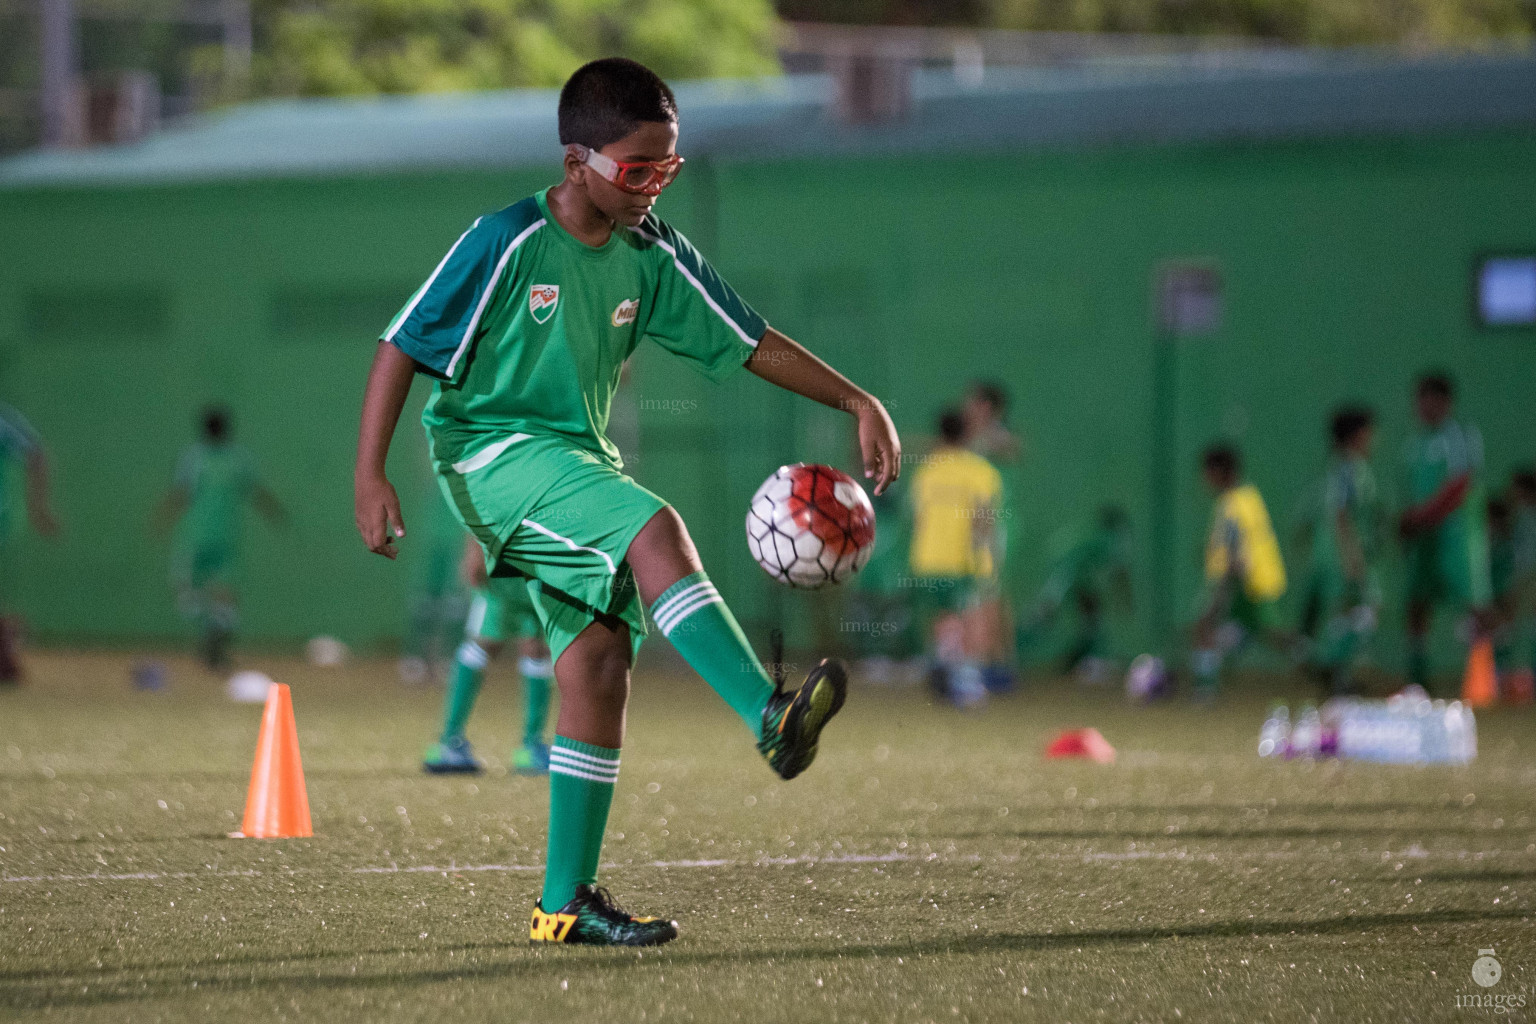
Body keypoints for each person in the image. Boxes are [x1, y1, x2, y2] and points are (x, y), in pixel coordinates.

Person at [353, 58, 900, 947]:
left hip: (573, 459)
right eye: (636, 170)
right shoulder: (505, 239)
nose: (653, 186)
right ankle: (769, 717)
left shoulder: (653, 255)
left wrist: (854, 400)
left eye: (668, 168)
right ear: (578, 164)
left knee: (600, 661)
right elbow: (401, 346)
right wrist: (368, 474)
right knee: (657, 527)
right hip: (489, 455)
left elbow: (748, 338)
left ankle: (563, 904)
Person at [157, 407, 285, 671]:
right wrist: (274, 510)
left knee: (211, 595)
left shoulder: (219, 459)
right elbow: (254, 491)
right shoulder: (205, 459)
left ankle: (212, 644)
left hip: (211, 539)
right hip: (210, 538)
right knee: (203, 595)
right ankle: (212, 635)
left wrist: (163, 516)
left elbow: (182, 494)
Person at [423, 535, 555, 775]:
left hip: (538, 566)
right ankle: (449, 742)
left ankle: (531, 746)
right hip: (500, 567)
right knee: (485, 642)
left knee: (537, 648)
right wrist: (474, 551)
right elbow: (481, 501)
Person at [1398, 372, 1492, 693]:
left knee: (1474, 602)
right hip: (1425, 540)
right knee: (1416, 602)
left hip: (1457, 537)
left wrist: (1425, 514)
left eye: (1431, 399)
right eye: (1420, 399)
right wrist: (1409, 523)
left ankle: (1483, 677)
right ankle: (1418, 674)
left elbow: (1460, 484)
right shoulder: (1414, 443)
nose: (1424, 406)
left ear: (1445, 402)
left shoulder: (1459, 436)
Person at [906, 409, 1002, 708]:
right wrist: (988, 557)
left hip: (929, 558)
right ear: (967, 434)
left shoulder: (926, 471)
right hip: (965, 559)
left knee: (943, 619)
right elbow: (983, 519)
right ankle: (966, 680)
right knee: (972, 618)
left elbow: (918, 518)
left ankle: (947, 675)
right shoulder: (981, 471)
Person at [1191, 445, 1289, 701]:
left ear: (1220, 472)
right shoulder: (1249, 497)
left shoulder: (1231, 505)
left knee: (1205, 625)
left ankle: (1205, 690)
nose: (1204, 479)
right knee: (1266, 633)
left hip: (1243, 584)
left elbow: (1237, 552)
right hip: (1258, 582)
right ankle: (1320, 664)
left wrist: (1222, 589)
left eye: (1207, 472)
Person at [1296, 407, 1383, 695]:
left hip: (1328, 555)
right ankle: (1330, 669)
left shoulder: (1334, 469)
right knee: (1364, 611)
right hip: (1342, 555)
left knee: (1342, 615)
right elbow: (1342, 516)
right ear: (1358, 435)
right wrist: (1353, 559)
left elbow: (1305, 520)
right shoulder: (1350, 470)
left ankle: (1333, 674)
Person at [1017, 504, 1132, 683]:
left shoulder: (1094, 534)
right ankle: (1013, 654)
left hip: (1075, 573)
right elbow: (1119, 572)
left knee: (1091, 613)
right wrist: (1125, 598)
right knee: (1042, 616)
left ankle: (1087, 656)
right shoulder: (1110, 538)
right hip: (1064, 572)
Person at [961, 381, 1020, 690]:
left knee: (991, 590)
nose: (966, 407)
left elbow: (1013, 448)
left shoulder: (995, 436)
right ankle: (997, 663)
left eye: (972, 401)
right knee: (986, 591)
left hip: (997, 524)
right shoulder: (973, 438)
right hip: (978, 523)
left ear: (986, 406)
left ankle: (998, 665)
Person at [0, 402, 59, 683]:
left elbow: (36, 453)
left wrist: (39, 505)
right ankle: (7, 649)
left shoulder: (3, 421)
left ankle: (7, 652)